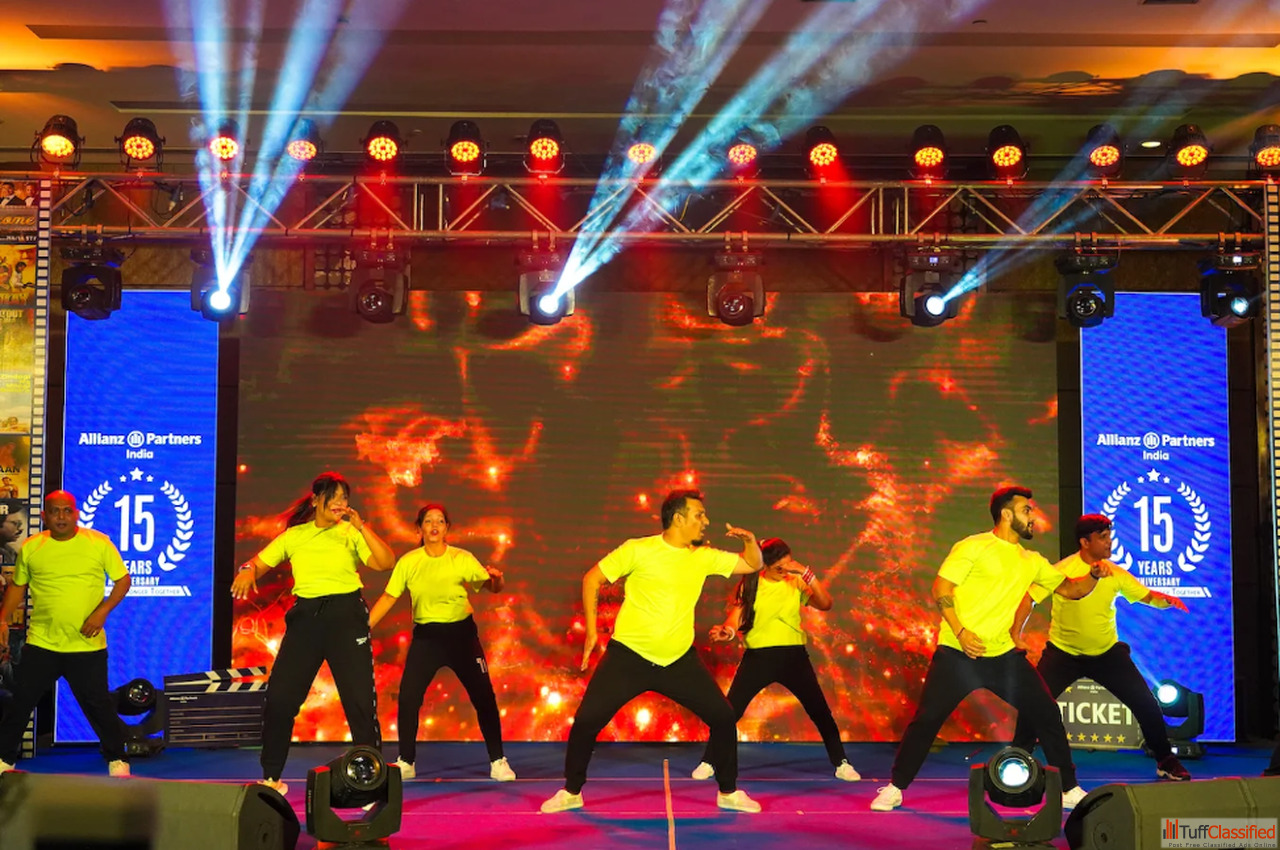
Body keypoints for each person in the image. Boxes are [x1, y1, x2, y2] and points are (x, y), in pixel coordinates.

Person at [870, 485, 1111, 813]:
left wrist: (1093, 575)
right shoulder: (973, 546)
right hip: (958, 654)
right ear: (1006, 514)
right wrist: (961, 631)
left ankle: (1069, 788)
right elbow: (941, 589)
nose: (1033, 516)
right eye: (1026, 510)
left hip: (1002, 656)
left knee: (1047, 712)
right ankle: (896, 787)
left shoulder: (1032, 561)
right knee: (927, 721)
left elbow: (1071, 590)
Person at [540, 489, 765, 814]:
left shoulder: (703, 557)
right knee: (587, 721)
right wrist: (591, 631)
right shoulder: (639, 549)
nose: (706, 521)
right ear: (679, 518)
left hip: (678, 660)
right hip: (628, 657)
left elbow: (753, 563)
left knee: (723, 716)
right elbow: (592, 579)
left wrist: (750, 541)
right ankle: (571, 791)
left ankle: (728, 792)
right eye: (699, 515)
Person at [231, 472, 395, 795]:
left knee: (360, 703)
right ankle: (272, 778)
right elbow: (257, 564)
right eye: (334, 496)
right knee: (280, 699)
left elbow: (386, 562)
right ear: (316, 499)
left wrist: (362, 527)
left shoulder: (350, 532)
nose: (340, 503)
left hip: (346, 616)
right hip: (306, 619)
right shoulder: (295, 536)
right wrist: (247, 570)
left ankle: (370, 781)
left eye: (344, 498)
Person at [1010, 514, 1192, 781]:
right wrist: (1015, 633)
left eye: (1110, 537)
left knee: (1146, 704)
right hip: (1063, 654)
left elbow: (1146, 596)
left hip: (1107, 654)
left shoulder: (1115, 573)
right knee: (1034, 702)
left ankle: (1165, 760)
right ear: (1085, 542)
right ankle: (1017, 758)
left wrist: (1165, 600)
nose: (1109, 543)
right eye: (1103, 538)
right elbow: (1029, 599)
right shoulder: (1061, 570)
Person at [692, 537, 860, 783]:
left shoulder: (795, 581)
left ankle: (841, 763)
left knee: (820, 711)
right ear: (765, 566)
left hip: (794, 658)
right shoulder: (751, 584)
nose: (785, 571)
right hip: (758, 658)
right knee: (730, 712)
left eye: (789, 564)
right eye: (779, 567)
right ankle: (709, 760)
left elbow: (826, 603)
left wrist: (805, 573)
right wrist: (727, 631)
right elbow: (736, 616)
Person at [367, 503, 515, 782]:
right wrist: (364, 628)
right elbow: (388, 597)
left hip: (462, 637)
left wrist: (497, 579)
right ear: (419, 528)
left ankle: (498, 761)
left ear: (447, 528)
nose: (434, 526)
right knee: (408, 698)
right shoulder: (409, 562)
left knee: (484, 697)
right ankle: (406, 761)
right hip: (427, 638)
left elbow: (492, 586)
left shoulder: (462, 558)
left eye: (440, 521)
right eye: (428, 521)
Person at [0, 491, 131, 775]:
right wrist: (2, 620)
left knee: (98, 706)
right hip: (42, 643)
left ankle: (117, 759)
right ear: (44, 516)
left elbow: (123, 580)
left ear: (76, 514)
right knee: (20, 702)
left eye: (67, 510)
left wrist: (101, 613)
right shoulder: (32, 547)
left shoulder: (98, 543)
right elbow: (18, 586)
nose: (61, 516)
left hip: (86, 645)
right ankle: (4, 759)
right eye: (55, 511)